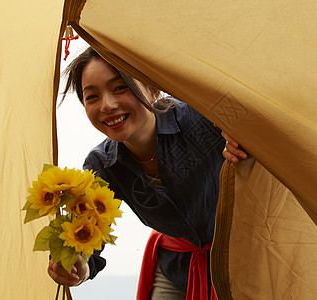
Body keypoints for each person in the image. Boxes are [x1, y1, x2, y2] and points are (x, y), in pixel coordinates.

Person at [47, 47, 247, 299]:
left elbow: (259, 109)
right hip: (177, 267)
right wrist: (79, 265)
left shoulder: (203, 117)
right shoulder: (102, 165)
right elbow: (90, 233)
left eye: (120, 87)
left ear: (152, 89)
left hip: (251, 258)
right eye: (92, 97)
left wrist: (244, 135)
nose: (107, 105)